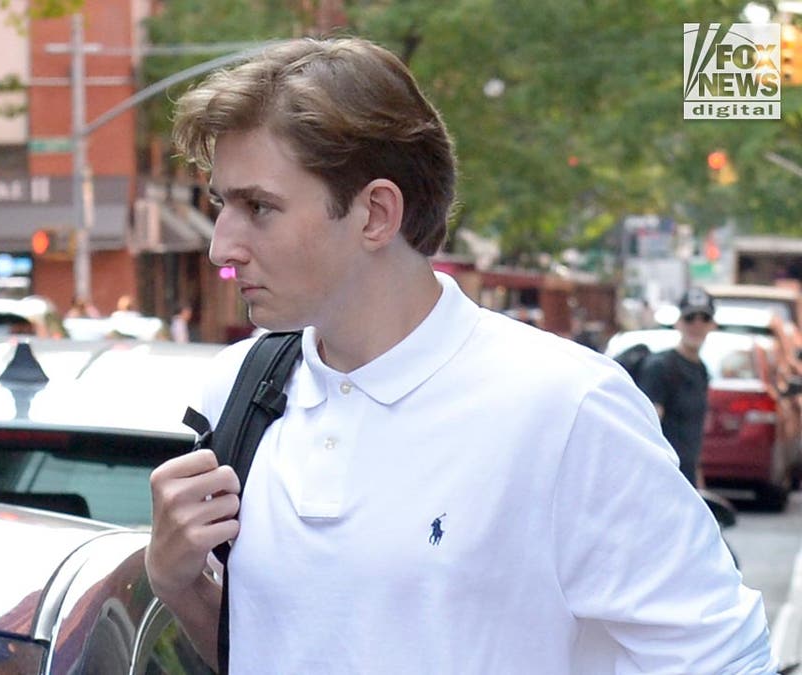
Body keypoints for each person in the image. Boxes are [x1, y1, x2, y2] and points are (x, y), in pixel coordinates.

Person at [145, 36, 774, 673]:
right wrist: (178, 583)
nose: (221, 249)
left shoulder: (564, 406)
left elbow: (722, 657)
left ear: (376, 214)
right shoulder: (240, 387)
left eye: (259, 207)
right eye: (223, 205)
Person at [635, 287, 717, 489]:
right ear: (678, 323)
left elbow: (693, 438)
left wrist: (699, 489)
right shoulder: (659, 367)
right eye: (690, 318)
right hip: (661, 482)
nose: (697, 325)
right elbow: (647, 430)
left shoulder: (701, 371)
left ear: (712, 325)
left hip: (686, 481)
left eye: (704, 318)